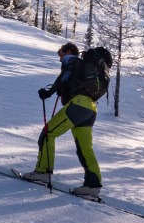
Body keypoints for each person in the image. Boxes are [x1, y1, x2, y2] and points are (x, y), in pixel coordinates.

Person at [22, 41, 107, 196]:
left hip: (78, 105)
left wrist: (49, 92)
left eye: (60, 52)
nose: (59, 57)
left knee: (48, 133)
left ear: (68, 52)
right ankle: (93, 186)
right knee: (85, 148)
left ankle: (43, 172)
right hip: (91, 108)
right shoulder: (85, 67)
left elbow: (63, 76)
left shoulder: (71, 60)